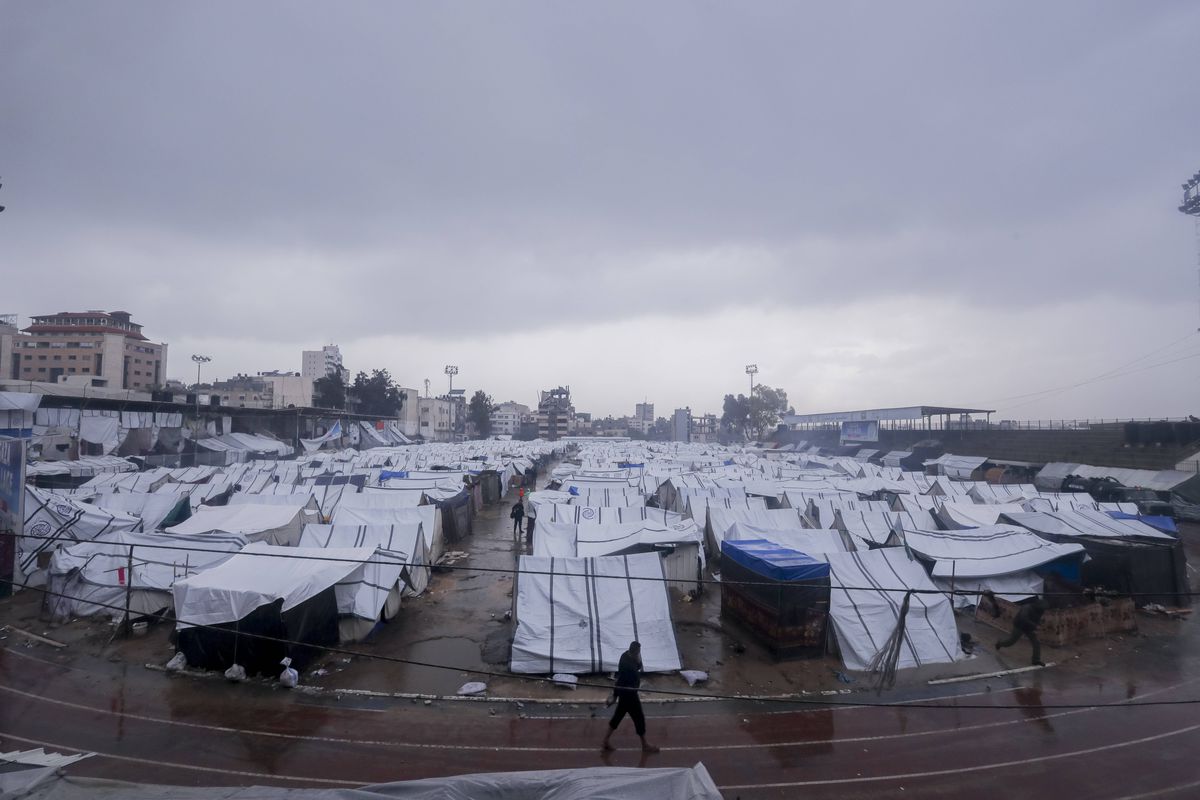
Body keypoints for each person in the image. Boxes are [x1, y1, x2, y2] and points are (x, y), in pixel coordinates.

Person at [602, 641, 659, 753]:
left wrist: (615, 696)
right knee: (639, 718)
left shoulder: (626, 656)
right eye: (638, 653)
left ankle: (605, 740)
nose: (639, 654)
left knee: (618, 717)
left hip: (627, 694)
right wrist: (615, 695)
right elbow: (621, 680)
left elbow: (639, 666)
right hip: (629, 695)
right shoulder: (627, 665)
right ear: (634, 652)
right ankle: (645, 745)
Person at [996, 595, 1048, 666]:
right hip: (1019, 626)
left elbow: (1037, 619)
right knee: (1011, 641)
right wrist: (1034, 626)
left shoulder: (1040, 610)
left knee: (1036, 643)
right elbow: (1023, 619)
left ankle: (1036, 660)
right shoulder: (1027, 608)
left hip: (1029, 627)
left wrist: (1038, 625)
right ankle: (1000, 643)